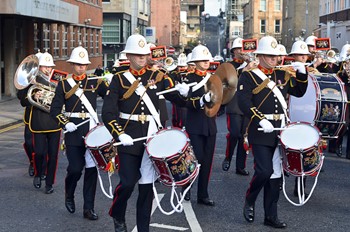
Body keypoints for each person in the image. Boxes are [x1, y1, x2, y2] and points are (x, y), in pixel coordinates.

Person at [102, 33, 189, 232]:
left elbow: (176, 98)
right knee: (127, 183)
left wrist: (193, 96)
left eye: (144, 54)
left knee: (146, 187)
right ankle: (118, 212)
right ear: (129, 56)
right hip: (128, 137)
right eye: (137, 54)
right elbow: (108, 112)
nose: (142, 58)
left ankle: (143, 229)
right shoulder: (118, 79)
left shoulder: (158, 76)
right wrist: (118, 133)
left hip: (152, 138)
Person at [237, 36, 308, 228]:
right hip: (260, 130)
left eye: (276, 56)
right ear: (259, 55)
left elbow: (299, 91)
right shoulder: (248, 76)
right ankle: (250, 200)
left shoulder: (282, 75)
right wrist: (260, 118)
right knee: (264, 170)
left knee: (275, 176)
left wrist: (302, 74)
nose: (273, 59)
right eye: (269, 55)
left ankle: (270, 215)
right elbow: (243, 102)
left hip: (280, 130)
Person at [50, 46, 108, 220]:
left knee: (91, 171)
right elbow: (54, 110)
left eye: (83, 64)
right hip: (73, 132)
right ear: (72, 65)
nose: (81, 67)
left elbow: (111, 98)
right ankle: (69, 193)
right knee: (75, 169)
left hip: (91, 132)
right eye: (78, 64)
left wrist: (114, 83)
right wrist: (65, 123)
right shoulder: (63, 84)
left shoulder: (95, 81)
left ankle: (88, 208)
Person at [17, 51, 61, 194]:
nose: (48, 69)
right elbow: (23, 101)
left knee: (53, 155)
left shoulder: (57, 80)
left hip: (54, 122)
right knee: (40, 152)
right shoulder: (31, 81)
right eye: (44, 67)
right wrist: (34, 95)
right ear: (38, 67)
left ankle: (49, 183)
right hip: (38, 122)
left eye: (49, 67)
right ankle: (37, 172)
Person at [180, 44, 217, 206]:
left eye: (207, 59)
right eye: (202, 60)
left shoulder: (214, 78)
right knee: (195, 159)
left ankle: (203, 194)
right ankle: (187, 188)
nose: (206, 62)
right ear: (194, 62)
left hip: (210, 125)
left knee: (207, 162)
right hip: (195, 124)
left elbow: (220, 101)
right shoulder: (188, 79)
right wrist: (201, 101)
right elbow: (186, 102)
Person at [222, 37, 249, 175]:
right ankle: (228, 157)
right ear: (233, 51)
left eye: (243, 48)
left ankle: (240, 166)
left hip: (248, 103)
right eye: (238, 49)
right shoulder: (229, 65)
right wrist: (244, 69)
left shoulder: (251, 63)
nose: (241, 51)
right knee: (234, 134)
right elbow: (230, 81)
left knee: (244, 136)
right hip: (234, 103)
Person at [16, 51, 43, 177]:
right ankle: (32, 162)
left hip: (46, 118)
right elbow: (21, 98)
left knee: (45, 148)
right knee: (29, 143)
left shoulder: (53, 80)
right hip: (31, 118)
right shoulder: (29, 81)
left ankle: (43, 169)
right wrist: (32, 95)